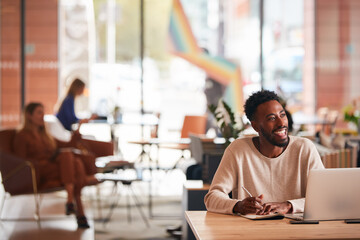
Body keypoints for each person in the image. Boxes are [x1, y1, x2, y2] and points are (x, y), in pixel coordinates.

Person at [204, 90, 324, 215]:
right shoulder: (238, 150)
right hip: (251, 231)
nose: (281, 123)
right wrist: (238, 205)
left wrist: (289, 206)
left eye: (282, 115)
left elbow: (323, 197)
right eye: (271, 118)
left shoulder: (304, 148)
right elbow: (212, 198)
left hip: (296, 231)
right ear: (255, 126)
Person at [13, 102, 94, 228]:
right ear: (29, 116)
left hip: (55, 168)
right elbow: (20, 161)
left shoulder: (45, 135)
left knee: (72, 159)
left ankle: (71, 203)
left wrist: (79, 128)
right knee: (74, 166)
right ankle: (78, 211)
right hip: (39, 171)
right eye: (39, 113)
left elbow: (67, 146)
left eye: (43, 113)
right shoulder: (22, 136)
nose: (42, 116)